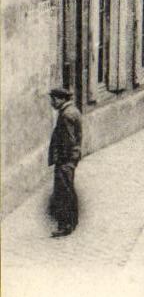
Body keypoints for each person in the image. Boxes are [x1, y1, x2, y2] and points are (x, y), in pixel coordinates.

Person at [48, 87, 82, 237]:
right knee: (68, 189)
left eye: (54, 99)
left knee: (63, 192)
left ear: (62, 99)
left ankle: (65, 225)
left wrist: (62, 160)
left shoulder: (66, 115)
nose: (52, 102)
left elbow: (68, 140)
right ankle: (73, 221)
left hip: (66, 159)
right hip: (70, 157)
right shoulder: (71, 110)